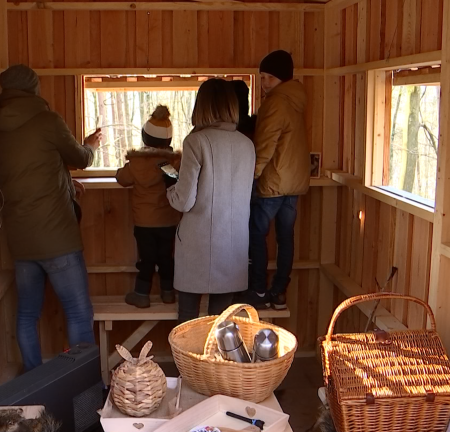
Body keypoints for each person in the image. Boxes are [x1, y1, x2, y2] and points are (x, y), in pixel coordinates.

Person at [0, 64, 103, 372]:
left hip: (20, 240)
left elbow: (14, 174)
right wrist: (91, 144)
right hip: (58, 237)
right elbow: (81, 159)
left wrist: (62, 181)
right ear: (34, 88)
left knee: (26, 314)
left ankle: (35, 381)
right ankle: (81, 385)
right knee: (77, 312)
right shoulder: (47, 121)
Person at [167, 78, 256, 323]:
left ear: (202, 106)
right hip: (233, 245)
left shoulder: (196, 141)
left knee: (187, 322)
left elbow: (184, 201)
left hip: (198, 243)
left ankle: (186, 364)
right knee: (221, 324)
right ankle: (213, 363)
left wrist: (170, 190)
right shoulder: (247, 145)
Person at [240, 50, 311, 310]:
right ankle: (279, 292)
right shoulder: (297, 100)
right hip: (295, 182)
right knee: (285, 238)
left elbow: (265, 146)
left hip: (273, 182)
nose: (264, 83)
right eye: (261, 77)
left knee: (256, 234)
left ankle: (258, 290)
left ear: (281, 78)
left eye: (268, 77)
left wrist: (250, 176)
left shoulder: (275, 103)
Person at [115, 105, 182, 308]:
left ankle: (141, 294)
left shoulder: (136, 164)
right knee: (166, 258)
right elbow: (177, 182)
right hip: (168, 221)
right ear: (168, 141)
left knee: (146, 259)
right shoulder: (172, 164)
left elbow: (121, 178)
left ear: (145, 138)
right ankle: (168, 293)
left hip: (144, 223)